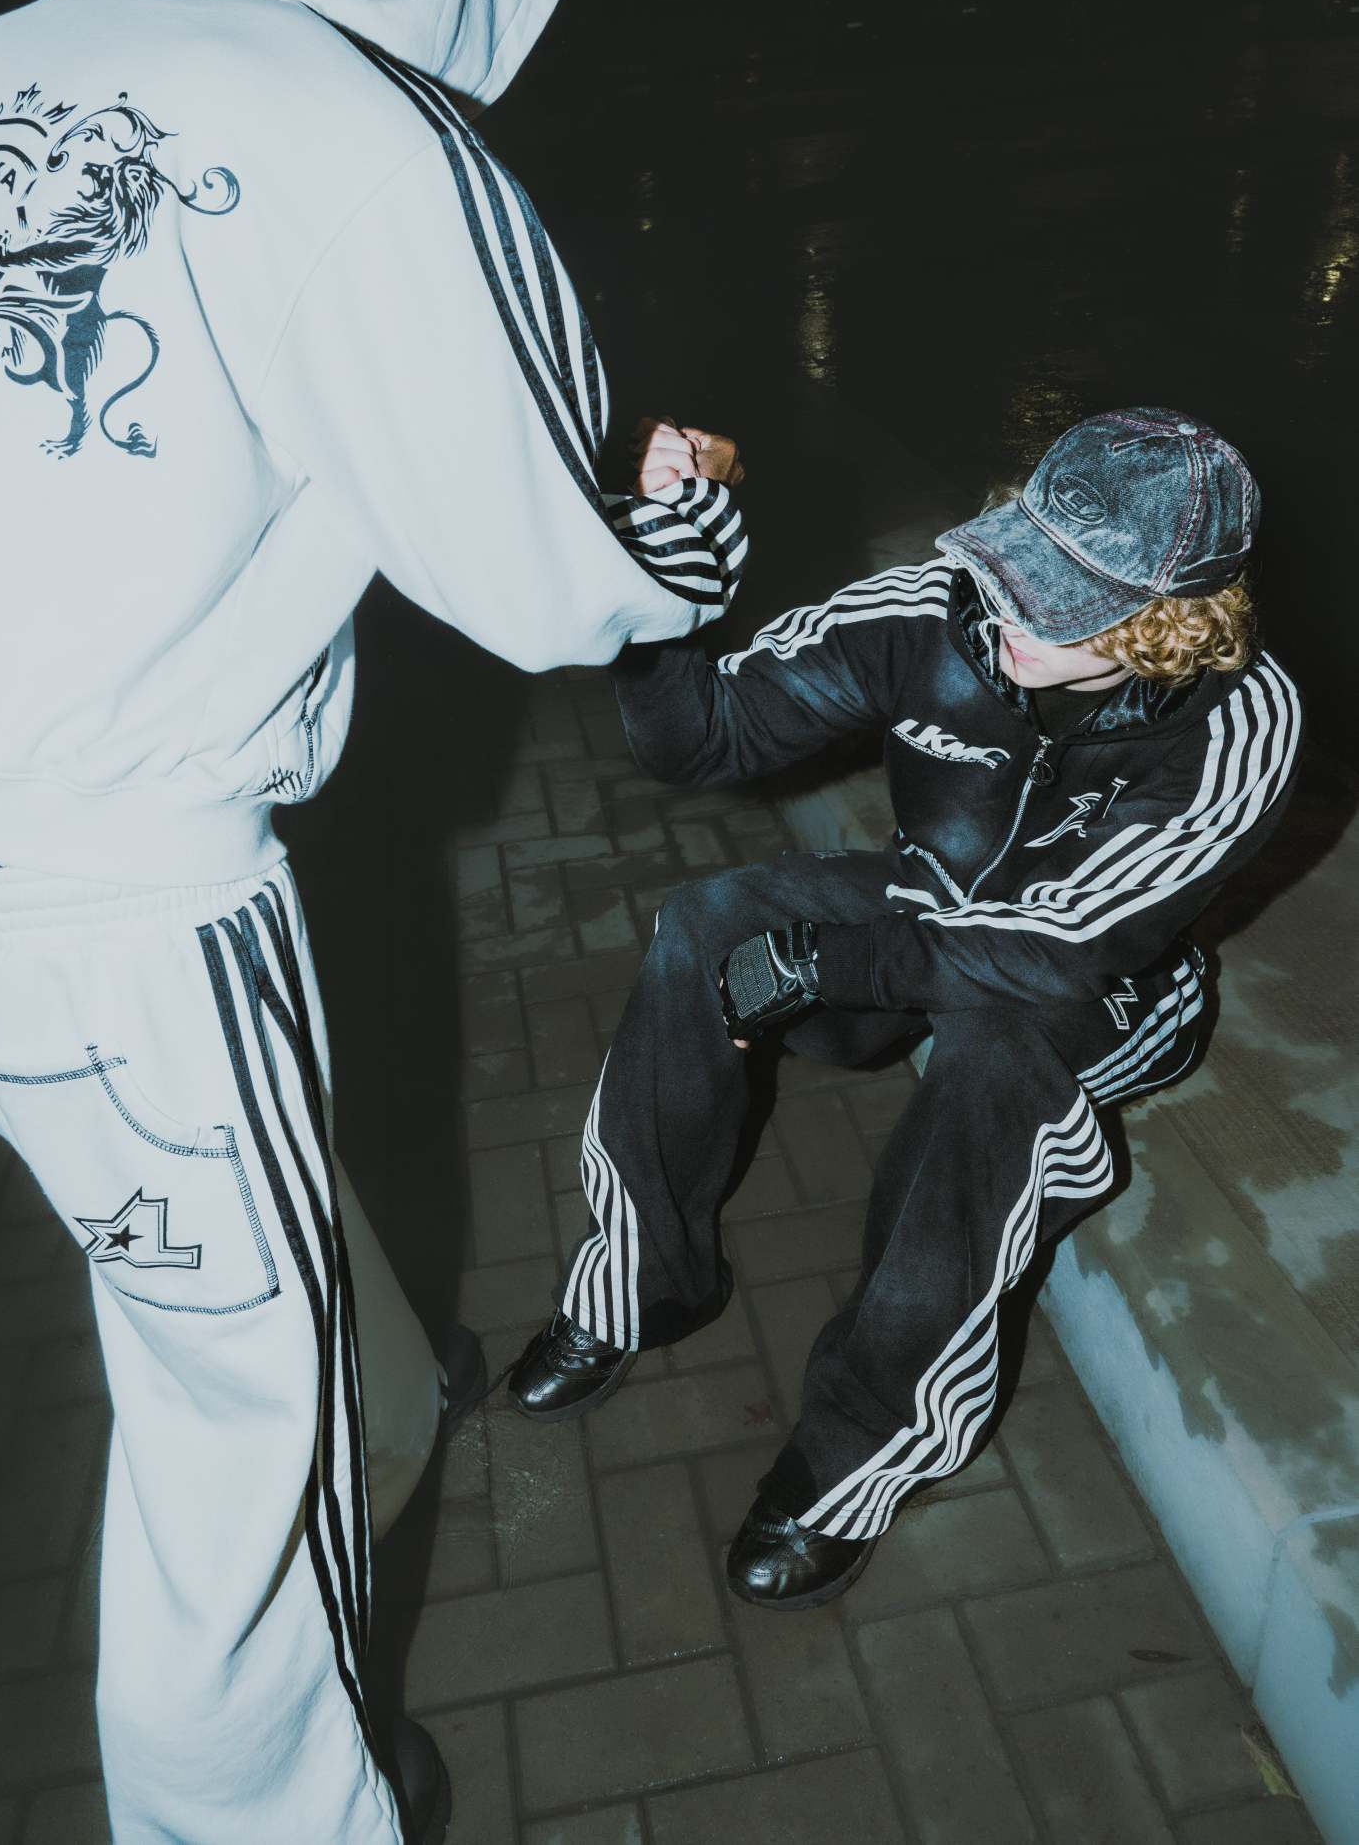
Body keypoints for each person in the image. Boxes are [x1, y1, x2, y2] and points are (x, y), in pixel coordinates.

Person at [0, 0, 746, 1841]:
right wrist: (676, 537)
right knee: (232, 1446)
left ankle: (360, 1359)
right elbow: (544, 577)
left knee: (223, 1263)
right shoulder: (374, 133)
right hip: (116, 894)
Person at [510, 406, 1303, 1611]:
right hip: (923, 902)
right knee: (706, 921)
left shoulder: (1239, 719)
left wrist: (822, 964)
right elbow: (702, 739)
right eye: (1019, 565)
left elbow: (1056, 954)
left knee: (994, 1062)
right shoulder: (934, 608)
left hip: (1101, 988)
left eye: (1065, 601)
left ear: (1168, 618)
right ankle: (644, 1282)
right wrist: (658, 582)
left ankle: (860, 1448)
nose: (1015, 610)